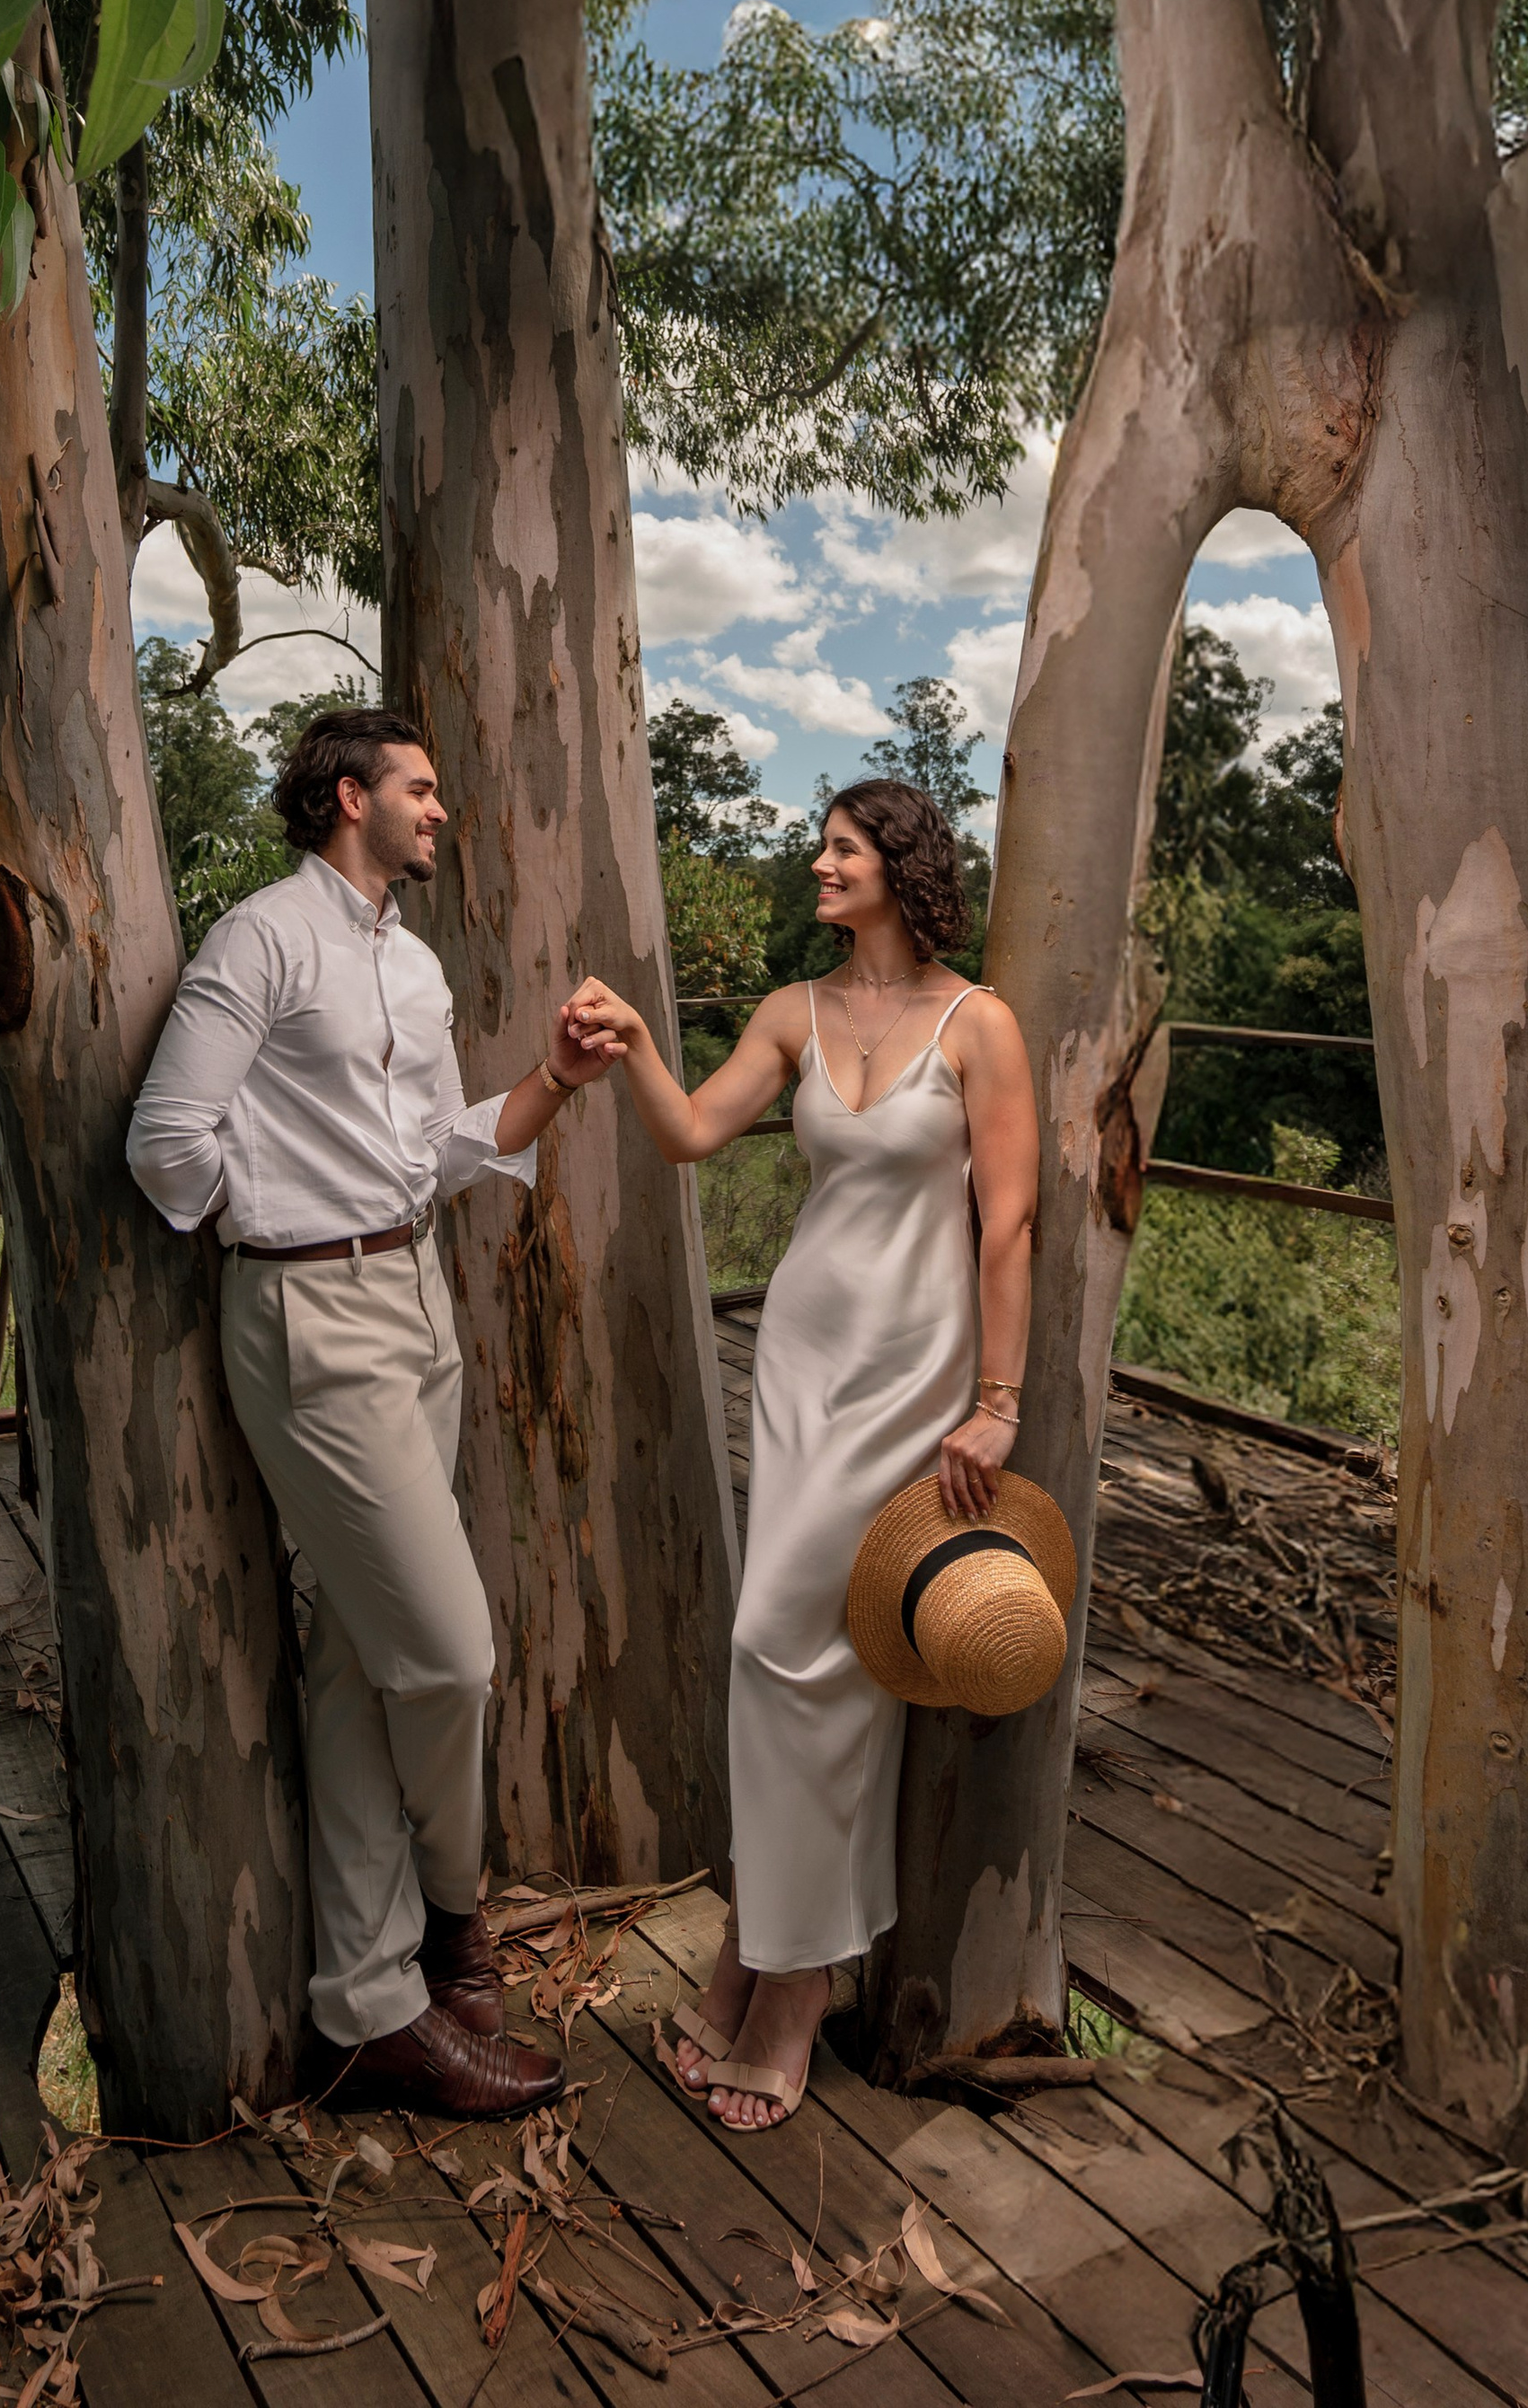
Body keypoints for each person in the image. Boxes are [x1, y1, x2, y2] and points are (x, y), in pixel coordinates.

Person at [126, 704, 612, 2121]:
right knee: (452, 1657)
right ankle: (456, 1930)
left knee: (356, 1661)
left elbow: (428, 1155)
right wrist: (278, 1237)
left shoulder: (413, 963)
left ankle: (365, 2007)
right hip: (310, 1322)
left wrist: (553, 1086)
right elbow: (168, 1138)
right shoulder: (261, 938)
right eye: (421, 787)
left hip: (418, 1307)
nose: (440, 810)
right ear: (350, 798)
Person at [558, 780, 1037, 2132]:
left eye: (842, 849)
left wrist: (997, 1402)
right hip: (800, 1361)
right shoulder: (792, 1012)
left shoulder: (978, 1023)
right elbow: (689, 1134)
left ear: (902, 866)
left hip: (912, 1375)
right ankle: (769, 1955)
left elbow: (1007, 1226)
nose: (818, 865)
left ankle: (790, 1982)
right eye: (820, 848)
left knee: (805, 1655)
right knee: (795, 1660)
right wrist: (642, 1039)